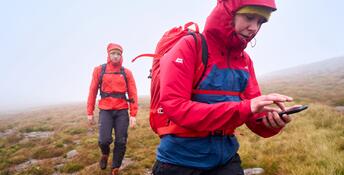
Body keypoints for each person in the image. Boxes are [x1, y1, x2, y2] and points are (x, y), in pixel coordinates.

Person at [152, 0, 300, 174]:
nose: (254, 28)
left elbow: (252, 116)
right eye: (249, 17)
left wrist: (272, 122)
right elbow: (175, 106)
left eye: (260, 22)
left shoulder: (244, 61)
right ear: (229, 13)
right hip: (179, 162)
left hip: (226, 160)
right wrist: (243, 108)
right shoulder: (190, 46)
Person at [87, 43, 138, 175]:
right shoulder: (99, 70)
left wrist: (133, 114)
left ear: (121, 56)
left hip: (121, 110)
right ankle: (105, 153)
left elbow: (133, 94)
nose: (115, 56)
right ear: (108, 55)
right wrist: (90, 112)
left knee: (121, 141)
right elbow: (92, 91)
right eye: (113, 53)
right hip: (105, 110)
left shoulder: (126, 73)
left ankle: (115, 168)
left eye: (118, 54)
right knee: (104, 140)